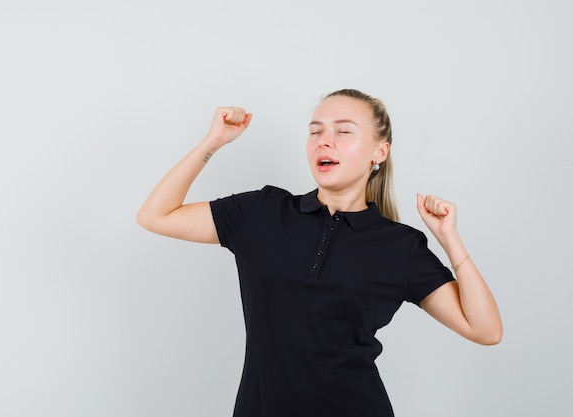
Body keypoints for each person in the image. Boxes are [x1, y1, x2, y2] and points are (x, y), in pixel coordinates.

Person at [136, 89, 503, 417]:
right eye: (315, 131)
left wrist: (448, 238)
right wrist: (212, 142)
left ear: (380, 151)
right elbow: (156, 216)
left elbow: (485, 330)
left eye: (343, 131)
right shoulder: (263, 212)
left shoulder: (399, 245)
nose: (324, 141)